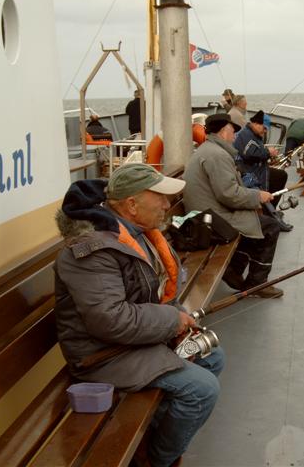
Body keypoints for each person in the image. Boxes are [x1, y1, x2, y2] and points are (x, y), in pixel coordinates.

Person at [54, 164, 224, 467]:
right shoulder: (91, 250)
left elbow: (145, 294)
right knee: (201, 390)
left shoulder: (134, 232)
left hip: (127, 343)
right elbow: (111, 320)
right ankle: (156, 460)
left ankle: (156, 433)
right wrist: (171, 321)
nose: (166, 204)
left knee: (213, 357)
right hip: (102, 355)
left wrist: (176, 316)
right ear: (131, 205)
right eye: (159, 197)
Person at [183, 113, 284, 298]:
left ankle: (233, 270)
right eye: (232, 131)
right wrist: (257, 196)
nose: (235, 135)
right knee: (270, 227)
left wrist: (252, 197)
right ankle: (257, 284)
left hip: (206, 214)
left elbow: (227, 191)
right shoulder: (217, 155)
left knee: (258, 223)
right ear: (222, 132)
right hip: (210, 220)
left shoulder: (210, 150)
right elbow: (228, 194)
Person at [234, 110, 292, 231]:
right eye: (264, 128)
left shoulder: (252, 133)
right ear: (256, 124)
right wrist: (268, 152)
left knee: (281, 175)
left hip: (255, 169)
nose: (265, 131)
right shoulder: (245, 135)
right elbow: (249, 153)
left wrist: (268, 154)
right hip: (248, 173)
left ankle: (270, 212)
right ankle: (269, 215)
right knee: (277, 177)